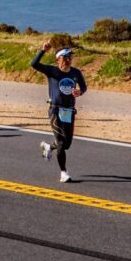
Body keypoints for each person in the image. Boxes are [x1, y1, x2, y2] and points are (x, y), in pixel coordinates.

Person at [30, 43, 88, 183]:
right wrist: (43, 50)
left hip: (69, 111)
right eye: (65, 57)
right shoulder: (53, 71)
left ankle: (49, 147)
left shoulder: (75, 73)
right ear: (58, 59)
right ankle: (64, 173)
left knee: (67, 144)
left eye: (70, 57)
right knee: (61, 142)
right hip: (55, 109)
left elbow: (84, 87)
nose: (68, 59)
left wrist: (80, 92)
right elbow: (34, 64)